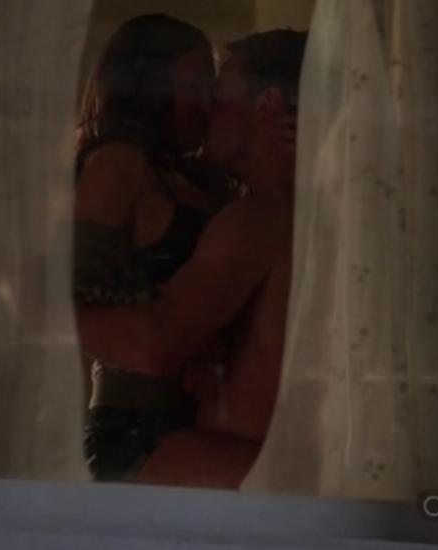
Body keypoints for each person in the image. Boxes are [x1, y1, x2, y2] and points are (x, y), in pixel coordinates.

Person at [77, 30, 307, 489]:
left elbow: (157, 344)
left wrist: (31, 313)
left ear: (266, 105)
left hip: (183, 459)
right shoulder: (309, 215)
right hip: (174, 451)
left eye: (217, 96)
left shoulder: (255, 220)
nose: (205, 112)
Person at [73, 14, 221, 482]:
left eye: (213, 87)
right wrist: (167, 343)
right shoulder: (117, 167)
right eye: (194, 86)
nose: (208, 103)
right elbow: (76, 300)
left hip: (201, 419)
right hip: (138, 426)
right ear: (146, 88)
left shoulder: (191, 174)